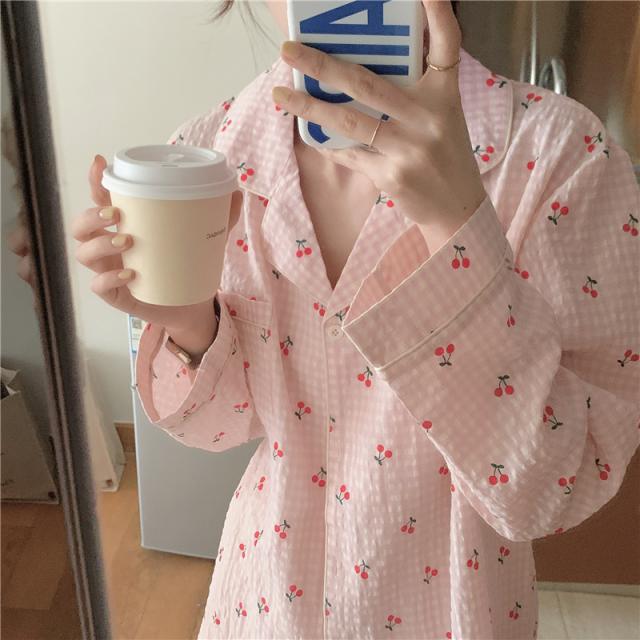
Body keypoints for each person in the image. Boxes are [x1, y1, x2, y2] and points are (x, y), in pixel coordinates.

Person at [9, 2, 640, 639]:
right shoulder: (212, 152)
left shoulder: (564, 155)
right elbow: (223, 428)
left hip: (454, 610)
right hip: (264, 600)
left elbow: (554, 490)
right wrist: (190, 325)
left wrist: (458, 228)